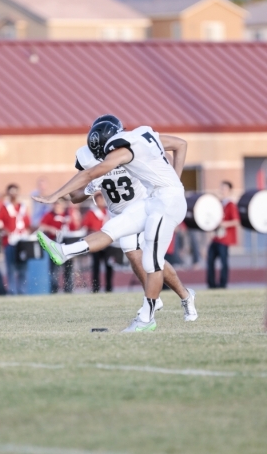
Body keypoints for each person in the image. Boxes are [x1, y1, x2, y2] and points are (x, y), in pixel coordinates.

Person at [33, 118, 197, 332]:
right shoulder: (138, 136)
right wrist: (89, 189)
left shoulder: (125, 148)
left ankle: (153, 312)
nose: (104, 155)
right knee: (114, 231)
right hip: (149, 201)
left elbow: (93, 172)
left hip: (161, 202)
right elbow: (83, 185)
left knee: (149, 259)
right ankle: (63, 251)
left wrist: (55, 195)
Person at [39, 198, 81, 293]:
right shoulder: (49, 215)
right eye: (55, 204)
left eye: (59, 204)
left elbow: (76, 227)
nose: (57, 206)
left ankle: (68, 289)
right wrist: (51, 229)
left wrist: (76, 217)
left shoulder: (69, 215)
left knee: (69, 267)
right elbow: (41, 226)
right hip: (55, 242)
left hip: (67, 242)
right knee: (54, 268)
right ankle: (54, 289)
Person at [0, 184, 31, 295]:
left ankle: (22, 290)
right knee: (11, 267)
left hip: (22, 240)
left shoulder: (22, 207)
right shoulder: (4, 207)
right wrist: (5, 230)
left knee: (23, 267)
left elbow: (27, 223)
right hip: (10, 241)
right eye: (11, 192)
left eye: (15, 192)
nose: (14, 194)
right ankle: (12, 290)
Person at [207, 181, 240, 289]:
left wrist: (224, 224)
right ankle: (211, 284)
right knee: (210, 260)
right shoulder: (219, 203)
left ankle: (223, 284)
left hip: (225, 238)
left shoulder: (231, 204)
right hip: (216, 237)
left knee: (223, 262)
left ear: (229, 191)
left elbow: (236, 221)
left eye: (224, 189)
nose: (222, 191)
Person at [82, 192, 113, 293]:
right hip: (96, 242)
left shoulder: (108, 212)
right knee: (96, 266)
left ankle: (109, 287)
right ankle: (96, 288)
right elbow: (86, 227)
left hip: (108, 242)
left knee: (109, 265)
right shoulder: (91, 213)